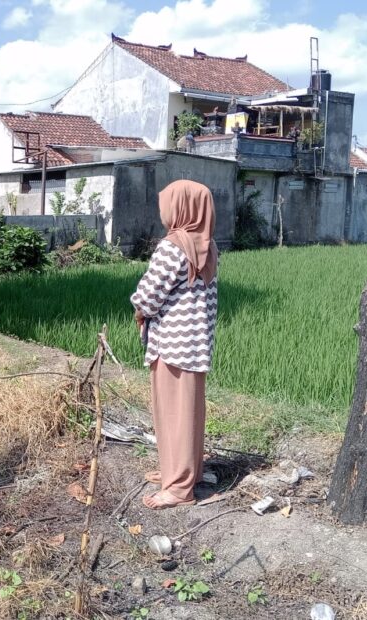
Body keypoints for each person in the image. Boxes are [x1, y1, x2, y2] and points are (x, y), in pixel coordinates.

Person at [130, 180, 219, 510]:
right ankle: (183, 473)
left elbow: (149, 296)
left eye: (166, 204)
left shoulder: (173, 247)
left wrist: (140, 313)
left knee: (173, 414)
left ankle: (179, 489)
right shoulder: (206, 246)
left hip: (171, 344)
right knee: (189, 413)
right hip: (195, 343)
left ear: (181, 208)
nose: (163, 211)